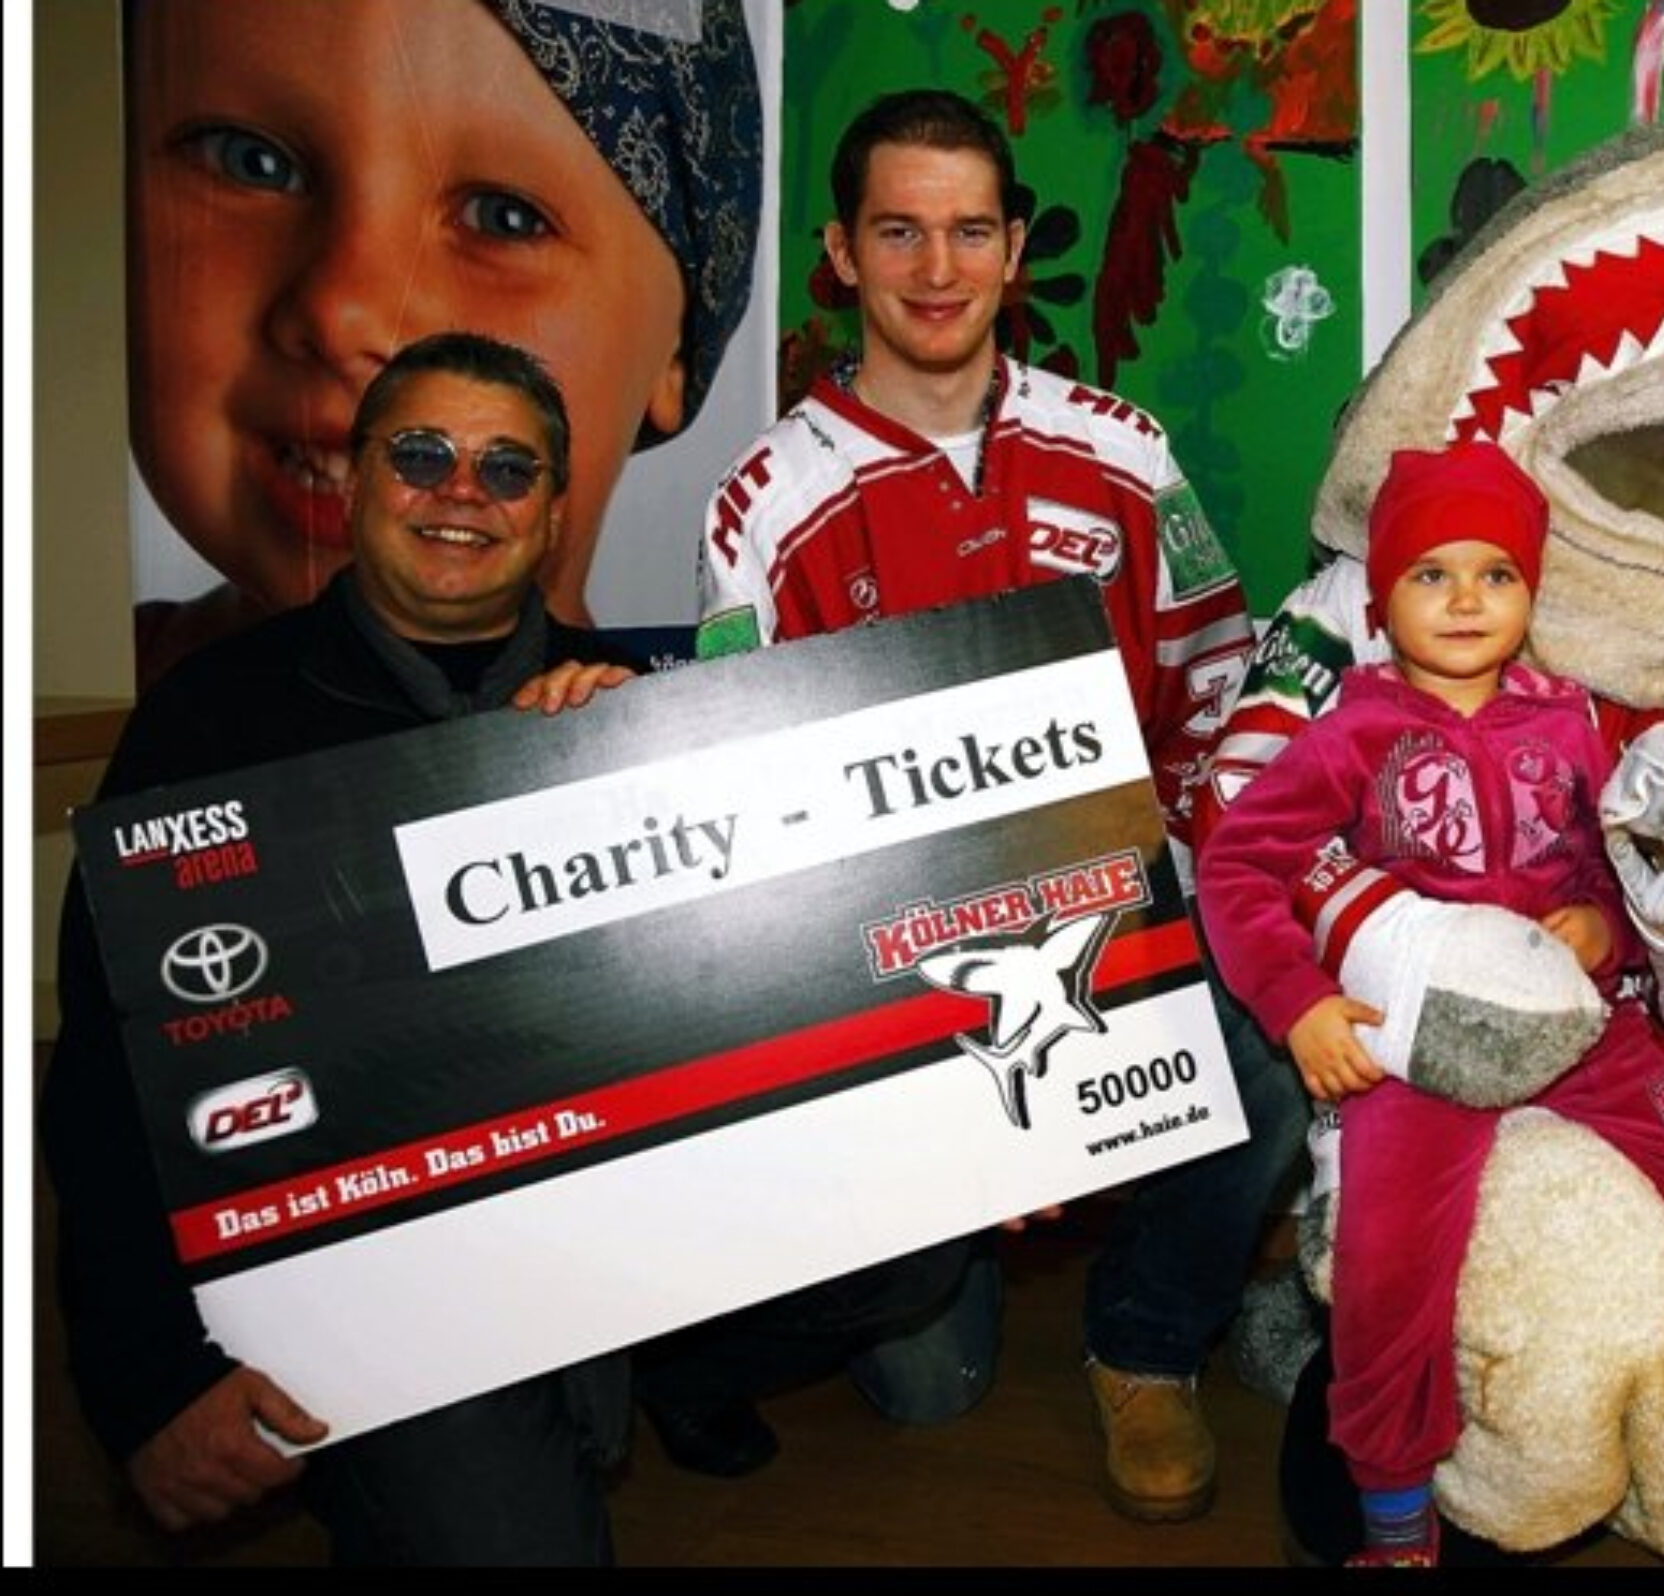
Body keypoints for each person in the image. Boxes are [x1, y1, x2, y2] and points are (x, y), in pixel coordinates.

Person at [686, 87, 1308, 1518]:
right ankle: (952, 1223)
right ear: (840, 252)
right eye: (899, 232)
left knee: (1276, 1034)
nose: (938, 268)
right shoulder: (765, 501)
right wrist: (963, 1056)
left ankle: (1145, 1342)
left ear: (1016, 249)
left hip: (1122, 910)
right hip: (903, 969)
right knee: (931, 1384)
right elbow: (749, 808)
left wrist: (1185, 913)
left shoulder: (1126, 448)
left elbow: (1218, 683)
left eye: (971, 231)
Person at [41, 331, 647, 1563]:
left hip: (636, 1216)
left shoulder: (639, 696)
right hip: (381, 1268)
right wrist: (149, 1377)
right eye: (420, 455)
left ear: (553, 511)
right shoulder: (208, 718)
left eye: (507, 468)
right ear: (357, 479)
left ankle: (661, 1386)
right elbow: (110, 1068)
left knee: (908, 1285)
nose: (462, 492)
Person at [1197, 442, 1664, 1568]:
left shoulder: (1568, 722)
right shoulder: (1350, 731)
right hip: (1420, 1046)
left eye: (1495, 574)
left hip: (1583, 1028)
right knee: (1388, 1260)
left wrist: (1603, 924)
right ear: (1381, 597)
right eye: (1430, 574)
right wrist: (1299, 1005)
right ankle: (1396, 1518)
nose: (1465, 600)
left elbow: (1615, 872)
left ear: (1532, 593)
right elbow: (1241, 863)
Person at [123, 0, 762, 687]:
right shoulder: (116, 714)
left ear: (677, 350)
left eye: (505, 219)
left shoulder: (663, 734)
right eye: (252, 162)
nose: (344, 313)